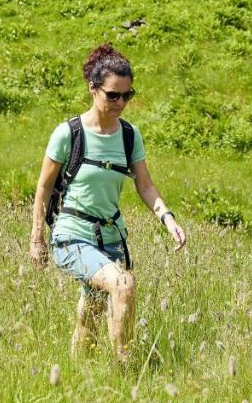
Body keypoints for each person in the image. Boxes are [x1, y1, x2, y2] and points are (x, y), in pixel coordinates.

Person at [29, 43, 187, 362]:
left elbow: (144, 185)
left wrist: (168, 219)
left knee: (92, 314)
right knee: (124, 285)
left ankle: (77, 377)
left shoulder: (129, 136)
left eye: (127, 95)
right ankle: (125, 365)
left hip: (113, 238)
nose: (120, 103)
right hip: (71, 234)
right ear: (93, 89)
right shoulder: (68, 133)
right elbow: (44, 187)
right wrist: (37, 240)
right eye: (112, 95)